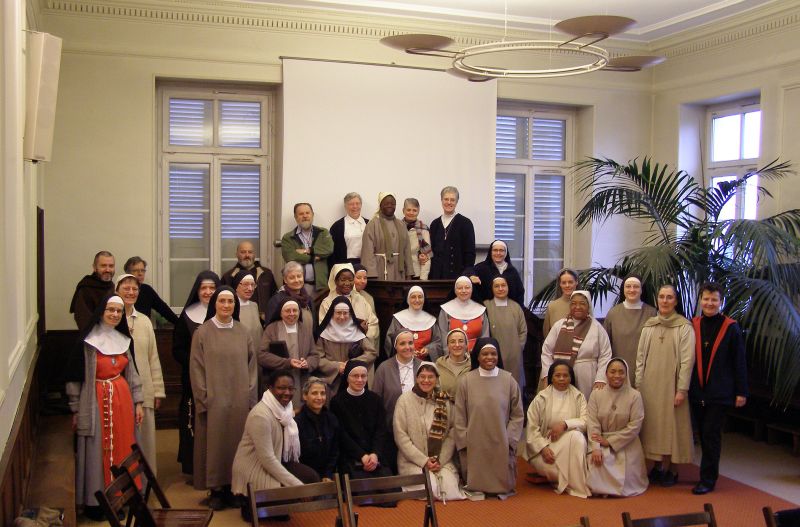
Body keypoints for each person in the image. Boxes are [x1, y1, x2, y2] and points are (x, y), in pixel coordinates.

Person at [65, 294, 143, 521]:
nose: (115, 314)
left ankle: (121, 497)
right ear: (101, 311)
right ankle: (96, 503)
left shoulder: (124, 340)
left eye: (119, 311)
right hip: (95, 402)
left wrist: (138, 402)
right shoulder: (88, 342)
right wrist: (75, 408)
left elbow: (132, 374)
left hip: (122, 402)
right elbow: (74, 378)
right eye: (110, 310)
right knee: (97, 451)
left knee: (122, 448)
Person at [190, 287, 258, 509]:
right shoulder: (202, 333)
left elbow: (252, 368)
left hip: (239, 401)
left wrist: (250, 398)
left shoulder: (243, 332)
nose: (226, 305)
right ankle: (217, 489)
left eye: (230, 301)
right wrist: (204, 398)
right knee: (215, 447)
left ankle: (235, 488)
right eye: (222, 301)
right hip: (214, 401)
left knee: (239, 446)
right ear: (215, 304)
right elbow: (196, 369)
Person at [232, 370, 319, 521]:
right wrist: (297, 486)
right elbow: (267, 460)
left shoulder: (286, 409)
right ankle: (250, 505)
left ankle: (274, 505)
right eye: (281, 388)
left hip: (277, 461)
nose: (287, 393)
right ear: (270, 388)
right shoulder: (260, 415)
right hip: (255, 468)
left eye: (290, 388)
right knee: (294, 491)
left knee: (311, 478)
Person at [689, 282, 748, 495]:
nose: (709, 303)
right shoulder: (693, 324)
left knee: (711, 435)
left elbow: (739, 361)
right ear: (700, 301)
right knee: (701, 433)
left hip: (720, 392)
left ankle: (708, 479)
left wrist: (741, 391)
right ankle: (705, 474)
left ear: (721, 302)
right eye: (706, 299)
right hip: (697, 391)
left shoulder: (731, 327)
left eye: (714, 299)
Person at [635, 284, 695, 487]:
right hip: (650, 386)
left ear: (675, 301)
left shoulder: (683, 327)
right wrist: (638, 384)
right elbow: (640, 358)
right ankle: (658, 465)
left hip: (672, 387)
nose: (665, 301)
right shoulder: (650, 325)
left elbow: (687, 361)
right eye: (661, 297)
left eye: (669, 297)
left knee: (673, 427)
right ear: (657, 299)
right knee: (654, 426)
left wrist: (682, 389)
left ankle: (673, 469)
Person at [454, 338, 523, 497]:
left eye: (493, 354)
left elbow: (517, 415)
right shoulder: (466, 381)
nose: (489, 357)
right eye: (485, 354)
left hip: (501, 441)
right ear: (477, 356)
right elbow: (459, 415)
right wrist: (464, 439)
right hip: (474, 442)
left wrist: (510, 439)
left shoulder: (509, 380)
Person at [393, 363, 466, 501]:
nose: (426, 380)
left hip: (440, 460)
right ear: (417, 378)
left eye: (430, 377)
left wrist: (439, 460)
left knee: (449, 490)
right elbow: (400, 436)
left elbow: (452, 433)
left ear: (437, 379)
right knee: (431, 488)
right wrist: (424, 461)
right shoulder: (404, 401)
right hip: (412, 461)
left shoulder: (444, 401)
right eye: (422, 376)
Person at [116, 274, 165, 477]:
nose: (131, 292)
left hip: (145, 389)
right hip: (120, 392)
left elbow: (153, 357)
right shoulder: (111, 318)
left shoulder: (144, 321)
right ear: (117, 291)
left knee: (145, 440)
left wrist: (157, 390)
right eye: (126, 288)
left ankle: (146, 481)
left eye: (134, 289)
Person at [172, 270, 220, 475]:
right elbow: (177, 350)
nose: (208, 292)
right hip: (193, 380)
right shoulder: (187, 316)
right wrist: (197, 364)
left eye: (212, 288)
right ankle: (194, 466)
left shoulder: (224, 313)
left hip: (219, 380)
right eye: (203, 288)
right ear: (197, 291)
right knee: (194, 420)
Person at [523, 360, 590, 498]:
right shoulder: (541, 398)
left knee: (577, 437)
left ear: (571, 378)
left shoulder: (579, 397)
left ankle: (571, 482)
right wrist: (543, 448)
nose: (561, 379)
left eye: (565, 375)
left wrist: (565, 424)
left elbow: (586, 421)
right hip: (546, 450)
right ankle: (575, 480)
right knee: (562, 467)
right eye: (557, 375)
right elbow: (532, 428)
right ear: (551, 377)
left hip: (572, 447)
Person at [586, 358, 648, 497]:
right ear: (606, 373)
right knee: (598, 464)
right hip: (601, 440)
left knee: (626, 477)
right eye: (612, 372)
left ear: (626, 374)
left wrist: (611, 441)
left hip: (626, 442)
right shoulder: (596, 394)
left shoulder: (635, 396)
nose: (617, 376)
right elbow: (592, 423)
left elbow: (635, 425)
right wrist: (596, 447)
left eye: (621, 372)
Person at [540, 291, 612, 400]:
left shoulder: (597, 327)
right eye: (574, 303)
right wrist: (547, 374)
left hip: (588, 377)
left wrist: (600, 378)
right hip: (562, 376)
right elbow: (546, 352)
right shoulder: (559, 326)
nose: (577, 307)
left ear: (588, 306)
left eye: (582, 303)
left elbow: (605, 354)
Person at [331, 360, 393, 479]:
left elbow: (381, 430)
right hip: (350, 457)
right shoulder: (337, 402)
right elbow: (341, 434)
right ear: (347, 378)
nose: (360, 380)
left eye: (363, 376)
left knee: (390, 487)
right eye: (355, 376)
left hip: (376, 457)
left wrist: (375, 454)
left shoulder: (375, 400)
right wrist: (362, 456)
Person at [373, 331, 422, 472]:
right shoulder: (383, 368)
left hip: (419, 429)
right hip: (391, 430)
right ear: (395, 346)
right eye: (402, 343)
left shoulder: (423, 366)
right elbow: (376, 401)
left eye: (410, 343)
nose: (407, 347)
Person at [259, 297, 320, 406]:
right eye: (287, 311)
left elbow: (314, 355)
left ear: (299, 312)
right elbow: (262, 355)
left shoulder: (305, 329)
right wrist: (287, 363)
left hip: (300, 379)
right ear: (281, 313)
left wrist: (308, 363)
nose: (292, 314)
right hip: (278, 380)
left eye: (295, 310)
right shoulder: (272, 329)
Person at [603, 274, 657, 387]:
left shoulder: (652, 313)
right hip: (618, 372)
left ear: (641, 290)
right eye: (628, 286)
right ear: (623, 290)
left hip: (645, 370)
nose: (632, 290)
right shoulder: (613, 313)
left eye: (636, 287)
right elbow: (605, 346)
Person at [316, 296, 377, 396]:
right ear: (332, 313)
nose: (342, 316)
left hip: (355, 380)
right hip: (332, 381)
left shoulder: (357, 332)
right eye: (338, 313)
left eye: (345, 313)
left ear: (350, 314)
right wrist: (336, 366)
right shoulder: (323, 334)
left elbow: (371, 353)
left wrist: (352, 365)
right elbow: (318, 359)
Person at [318, 263, 379, 348]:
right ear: (335, 281)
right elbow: (325, 329)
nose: (347, 283)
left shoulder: (361, 299)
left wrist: (364, 337)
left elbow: (373, 323)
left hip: (361, 348)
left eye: (350, 280)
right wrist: (357, 330)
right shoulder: (327, 303)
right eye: (343, 280)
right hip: (336, 349)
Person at [484, 276, 528, 392]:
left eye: (503, 285)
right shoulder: (486, 306)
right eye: (497, 286)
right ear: (492, 288)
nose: (500, 289)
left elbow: (523, 331)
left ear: (508, 287)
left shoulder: (516, 307)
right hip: (492, 357)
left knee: (514, 388)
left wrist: (517, 348)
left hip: (514, 357)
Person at [281, 203, 334, 294]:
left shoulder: (323, 232)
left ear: (312, 215)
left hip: (320, 287)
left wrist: (308, 251)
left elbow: (329, 249)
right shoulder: (288, 237)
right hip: (296, 286)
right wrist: (314, 257)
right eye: (301, 214)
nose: (305, 216)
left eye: (307, 213)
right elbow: (290, 256)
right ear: (295, 217)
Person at [361, 192, 416, 280]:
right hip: (380, 270)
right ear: (380, 205)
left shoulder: (401, 224)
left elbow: (406, 250)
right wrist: (371, 275)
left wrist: (409, 272)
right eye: (386, 203)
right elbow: (368, 252)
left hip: (399, 270)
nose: (390, 206)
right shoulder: (372, 224)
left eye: (392, 204)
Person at [294, 377, 341, 481]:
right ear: (305, 396)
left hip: (327, 476)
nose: (319, 397)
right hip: (304, 477)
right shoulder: (297, 422)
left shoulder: (332, 419)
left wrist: (327, 475)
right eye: (314, 393)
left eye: (322, 393)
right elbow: (296, 456)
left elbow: (335, 451)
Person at [221, 241, 278, 322]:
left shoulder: (267, 274)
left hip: (265, 321)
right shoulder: (228, 276)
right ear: (236, 254)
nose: (247, 255)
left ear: (254, 255)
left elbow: (275, 298)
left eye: (250, 252)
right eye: (243, 252)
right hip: (238, 321)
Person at [429, 186, 476, 279]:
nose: (449, 202)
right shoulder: (434, 224)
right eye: (446, 199)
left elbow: (470, 253)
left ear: (457, 202)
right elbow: (431, 251)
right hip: (436, 276)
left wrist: (466, 275)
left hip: (459, 277)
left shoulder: (466, 223)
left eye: (452, 200)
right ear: (441, 200)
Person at [385, 285, 442, 361]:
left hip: (425, 364)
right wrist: (406, 350)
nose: (417, 300)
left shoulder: (431, 320)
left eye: (420, 297)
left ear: (424, 299)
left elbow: (438, 342)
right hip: (402, 362)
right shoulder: (398, 319)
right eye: (413, 297)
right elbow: (390, 342)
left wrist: (428, 349)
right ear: (408, 299)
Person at [438, 276, 489, 352]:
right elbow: (443, 335)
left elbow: (485, 335)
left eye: (467, 288)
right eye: (460, 288)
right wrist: (448, 354)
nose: (463, 291)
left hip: (477, 353)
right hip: (453, 354)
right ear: (455, 290)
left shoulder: (480, 309)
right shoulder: (446, 310)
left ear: (472, 289)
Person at [124, 256, 179, 324]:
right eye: (136, 270)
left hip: (144, 328)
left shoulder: (147, 290)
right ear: (128, 273)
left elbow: (164, 309)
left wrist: (180, 324)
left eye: (142, 270)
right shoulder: (122, 291)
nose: (140, 273)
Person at [70, 251, 116, 331]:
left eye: (111, 266)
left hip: (114, 334)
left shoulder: (113, 287)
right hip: (94, 336)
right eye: (103, 266)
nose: (108, 270)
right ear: (94, 267)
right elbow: (84, 322)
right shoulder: (86, 289)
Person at [468, 240, 524, 305]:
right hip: (487, 308)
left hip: (508, 309)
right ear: (491, 252)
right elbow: (467, 272)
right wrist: (471, 276)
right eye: (495, 250)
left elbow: (520, 293)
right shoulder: (481, 268)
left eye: (501, 250)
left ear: (506, 253)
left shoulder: (512, 271)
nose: (498, 253)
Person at [264, 261, 315, 328]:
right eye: (292, 277)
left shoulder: (308, 300)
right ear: (285, 280)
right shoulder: (276, 301)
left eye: (299, 276)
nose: (296, 280)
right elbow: (270, 328)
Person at [232, 271, 264, 364]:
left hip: (257, 356)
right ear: (236, 286)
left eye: (252, 285)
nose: (250, 288)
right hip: (240, 358)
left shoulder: (254, 305)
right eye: (245, 284)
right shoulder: (231, 307)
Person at [329, 192, 368, 266]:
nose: (355, 206)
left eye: (357, 203)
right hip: (345, 265)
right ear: (345, 206)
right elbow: (332, 252)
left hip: (367, 263)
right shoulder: (337, 226)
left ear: (361, 205)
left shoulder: (369, 224)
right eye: (351, 204)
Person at [435, 328, 471, 400]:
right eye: (452, 342)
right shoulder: (438, 365)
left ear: (466, 345)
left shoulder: (473, 366)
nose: (457, 345)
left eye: (461, 341)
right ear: (447, 345)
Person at [401, 198, 433, 280]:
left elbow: (426, 256)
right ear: (403, 210)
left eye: (414, 210)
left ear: (418, 211)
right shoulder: (397, 227)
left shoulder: (423, 229)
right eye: (408, 210)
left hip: (416, 273)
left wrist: (423, 278)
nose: (411, 213)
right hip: (400, 273)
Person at [543, 268, 578, 337]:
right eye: (564, 283)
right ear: (560, 284)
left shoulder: (585, 304)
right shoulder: (552, 306)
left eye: (570, 282)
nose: (567, 285)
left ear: (576, 282)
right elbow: (546, 333)